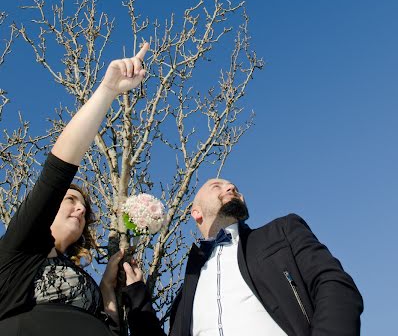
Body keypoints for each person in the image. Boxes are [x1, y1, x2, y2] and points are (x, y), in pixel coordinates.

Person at [0, 44, 149, 336]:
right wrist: (108, 90)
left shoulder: (84, 278)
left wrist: (107, 287)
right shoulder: (19, 249)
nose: (80, 209)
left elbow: (113, 329)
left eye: (83, 206)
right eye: (70, 200)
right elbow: (59, 168)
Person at [126, 178, 364, 336]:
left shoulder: (282, 232)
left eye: (234, 187)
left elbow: (334, 285)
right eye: (217, 187)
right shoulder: (187, 291)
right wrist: (136, 291)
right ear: (196, 213)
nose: (230, 188)